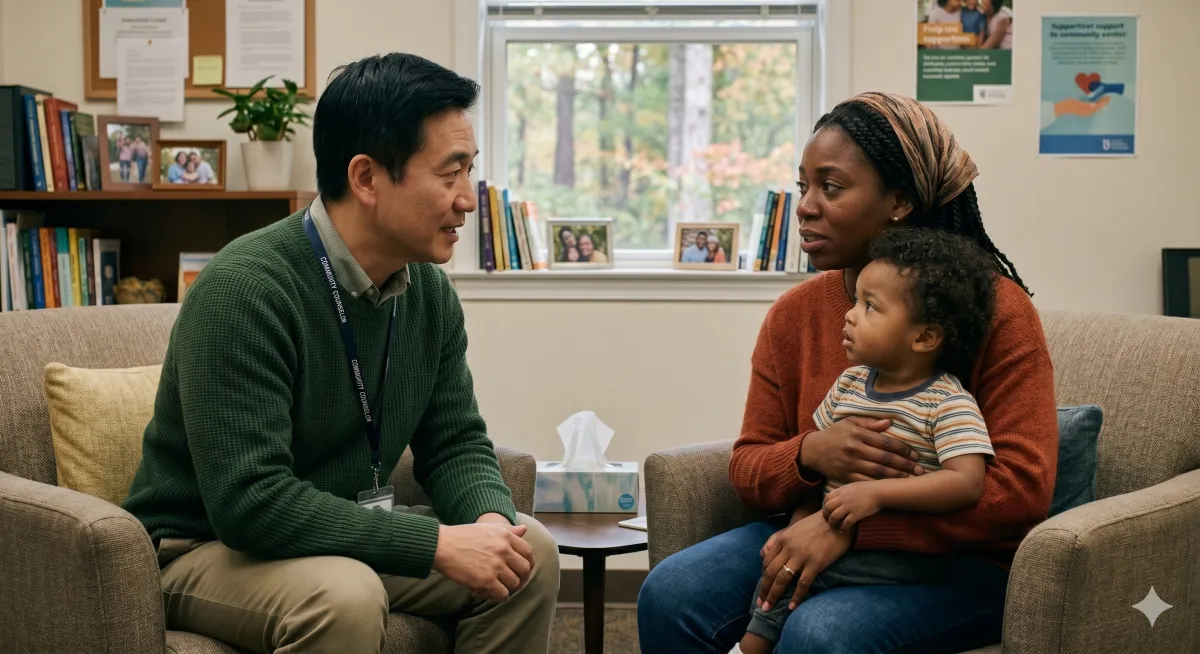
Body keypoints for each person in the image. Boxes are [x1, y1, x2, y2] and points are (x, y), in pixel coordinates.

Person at [121, 52, 560, 654]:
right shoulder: (246, 289)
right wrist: (434, 545)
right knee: (344, 594)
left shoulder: (427, 291)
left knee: (526, 551)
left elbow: (454, 439)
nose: (467, 200)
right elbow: (250, 503)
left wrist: (487, 521)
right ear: (366, 178)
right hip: (203, 548)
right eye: (449, 173)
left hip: (341, 535)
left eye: (470, 171)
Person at [637, 91, 1058, 653]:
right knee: (670, 593)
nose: (804, 206)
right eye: (802, 185)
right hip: (816, 523)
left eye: (830, 188)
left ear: (900, 202)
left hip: (958, 561)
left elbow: (1018, 493)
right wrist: (812, 452)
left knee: (821, 634)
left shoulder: (998, 311)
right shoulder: (795, 315)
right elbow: (749, 464)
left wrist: (850, 527)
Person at [733, 228, 999, 654]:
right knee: (784, 563)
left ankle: (750, 646)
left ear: (925, 338)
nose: (850, 315)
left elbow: (966, 481)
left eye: (870, 306)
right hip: (832, 529)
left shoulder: (947, 403)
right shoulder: (850, 384)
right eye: (856, 300)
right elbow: (817, 472)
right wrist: (800, 521)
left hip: (906, 555)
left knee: (798, 585)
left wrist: (877, 495)